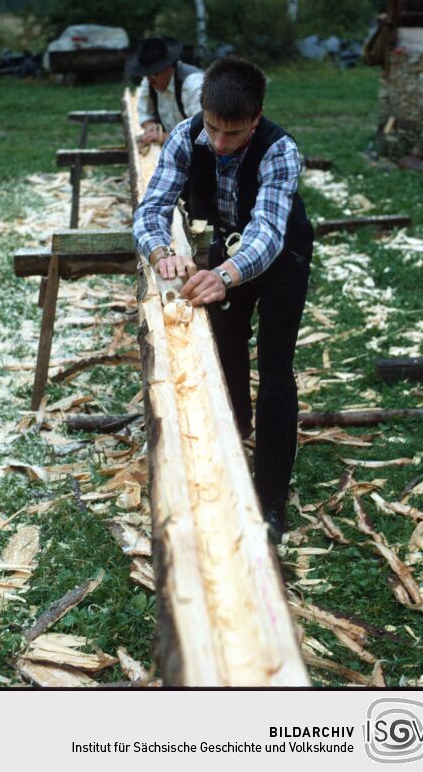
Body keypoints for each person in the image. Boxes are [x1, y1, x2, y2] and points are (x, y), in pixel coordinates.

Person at [133, 56, 314, 544]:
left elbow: (268, 232)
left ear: (256, 118)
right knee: (223, 348)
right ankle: (234, 434)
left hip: (282, 258)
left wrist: (225, 275)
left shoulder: (280, 150)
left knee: (275, 372)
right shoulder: (186, 135)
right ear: (204, 111)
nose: (218, 142)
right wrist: (161, 251)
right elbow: (151, 209)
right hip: (228, 245)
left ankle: (270, 498)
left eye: (232, 133)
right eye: (212, 128)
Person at [126, 36, 204, 146]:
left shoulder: (193, 85)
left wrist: (165, 137)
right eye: (147, 74)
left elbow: (203, 133)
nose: (150, 80)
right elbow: (144, 113)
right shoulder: (149, 81)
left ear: (169, 68)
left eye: (154, 73)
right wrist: (149, 126)